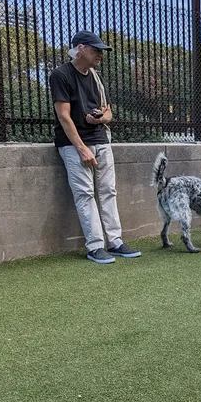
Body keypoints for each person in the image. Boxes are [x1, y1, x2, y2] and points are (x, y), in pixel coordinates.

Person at [50, 30, 141, 264]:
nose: (100, 55)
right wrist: (81, 148)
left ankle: (116, 242)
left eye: (101, 51)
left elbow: (108, 112)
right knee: (85, 193)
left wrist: (99, 119)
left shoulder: (96, 77)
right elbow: (63, 116)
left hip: (101, 140)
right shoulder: (61, 75)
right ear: (81, 49)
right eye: (96, 50)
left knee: (109, 191)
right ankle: (95, 246)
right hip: (74, 145)